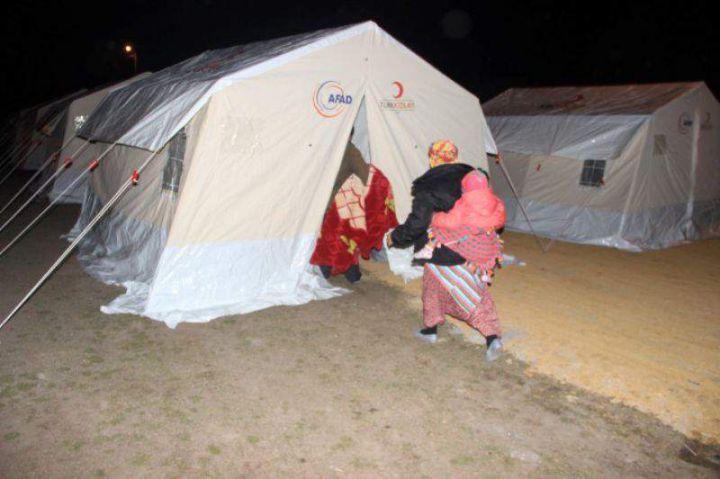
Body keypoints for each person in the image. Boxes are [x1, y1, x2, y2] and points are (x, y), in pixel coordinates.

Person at [386, 140, 505, 361]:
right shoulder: (472, 176)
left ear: (433, 158)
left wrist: (396, 237)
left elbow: (418, 223)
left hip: (443, 248)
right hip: (475, 246)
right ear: (455, 156)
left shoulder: (429, 185)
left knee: (464, 294)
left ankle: (491, 336)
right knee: (449, 288)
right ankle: (430, 329)